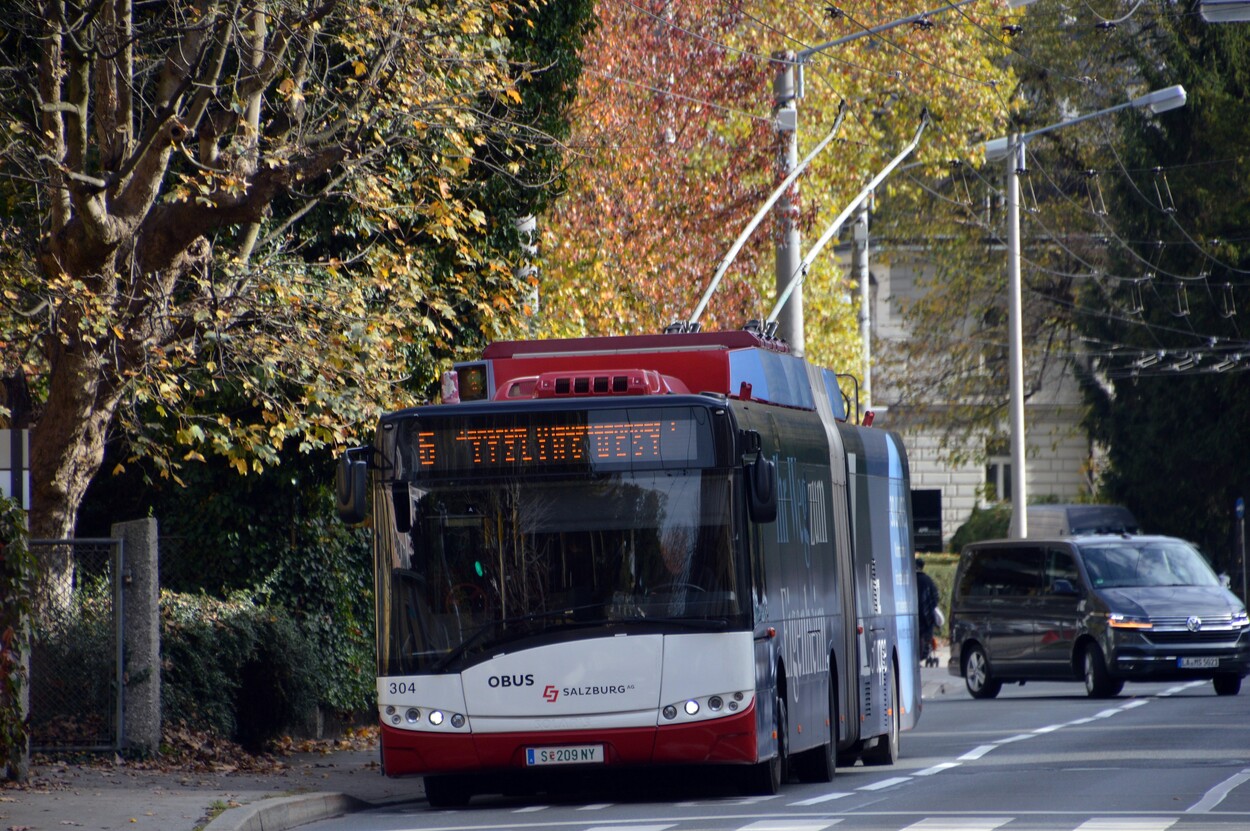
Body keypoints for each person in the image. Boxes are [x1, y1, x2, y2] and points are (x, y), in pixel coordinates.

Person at [916, 557, 940, 667]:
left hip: (914, 615)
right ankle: (923, 656)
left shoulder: (910, 579)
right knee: (925, 637)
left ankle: (916, 658)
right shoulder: (927, 580)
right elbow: (935, 597)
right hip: (926, 617)